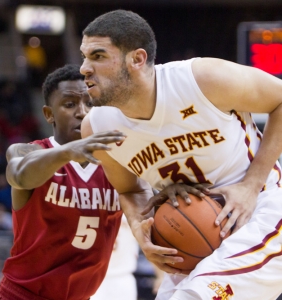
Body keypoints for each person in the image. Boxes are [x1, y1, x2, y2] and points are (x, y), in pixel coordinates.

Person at [79, 9, 282, 300]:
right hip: (197, 240)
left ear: (137, 59)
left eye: (97, 56)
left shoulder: (201, 79)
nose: (84, 67)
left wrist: (250, 186)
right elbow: (129, 188)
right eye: (84, 57)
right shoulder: (97, 128)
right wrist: (141, 231)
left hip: (265, 209)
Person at [0, 64, 126, 300]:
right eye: (70, 104)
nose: (82, 112)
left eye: (90, 103)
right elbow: (19, 174)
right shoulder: (27, 150)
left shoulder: (118, 164)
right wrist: (68, 152)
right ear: (49, 114)